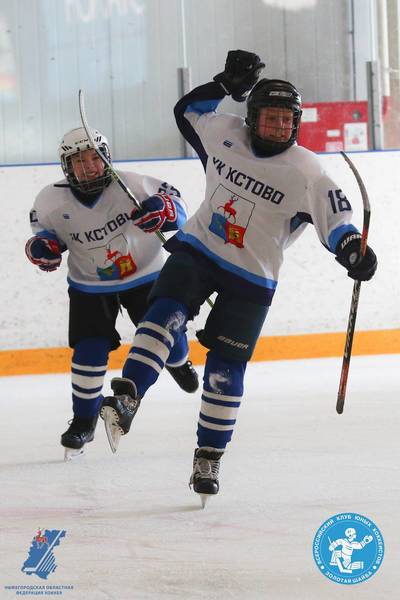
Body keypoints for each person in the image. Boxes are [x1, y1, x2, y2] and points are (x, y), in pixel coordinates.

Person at [99, 50, 377, 504]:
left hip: (253, 275)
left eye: (287, 121)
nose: (278, 128)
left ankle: (208, 456)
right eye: (269, 119)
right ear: (250, 119)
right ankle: (128, 395)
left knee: (226, 370)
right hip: (198, 249)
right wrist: (224, 86)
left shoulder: (307, 170)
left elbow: (338, 222)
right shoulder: (223, 133)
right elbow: (187, 110)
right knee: (163, 313)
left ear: (297, 124)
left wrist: (352, 251)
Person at [25, 127, 199, 460]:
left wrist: (165, 209)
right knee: (88, 351)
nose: (89, 166)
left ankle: (179, 362)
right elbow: (45, 239)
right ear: (67, 165)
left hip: (146, 275)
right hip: (90, 284)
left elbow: (179, 208)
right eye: (79, 160)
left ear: (106, 157)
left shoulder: (134, 184)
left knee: (167, 338)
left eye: (95, 157)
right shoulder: (49, 200)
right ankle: (84, 420)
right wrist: (42, 248)